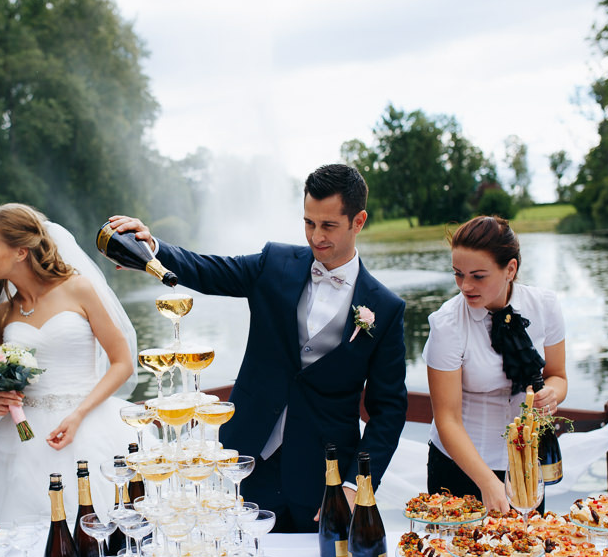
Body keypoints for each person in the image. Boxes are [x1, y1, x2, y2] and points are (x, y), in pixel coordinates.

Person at [109, 163, 408, 532]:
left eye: (328, 225)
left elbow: (389, 412)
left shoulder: (386, 308)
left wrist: (354, 486)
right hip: (245, 463)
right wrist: (153, 249)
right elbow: (208, 270)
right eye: (309, 223)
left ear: (358, 221)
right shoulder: (276, 263)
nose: (316, 237)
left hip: (323, 479)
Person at [0, 203, 138, 521]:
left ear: (20, 251)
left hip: (89, 425)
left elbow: (122, 363)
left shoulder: (78, 289)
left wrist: (79, 415)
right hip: (23, 440)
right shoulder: (3, 314)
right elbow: (6, 379)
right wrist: (0, 397)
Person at [424, 215, 567, 512]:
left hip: (527, 466)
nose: (465, 286)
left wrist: (553, 393)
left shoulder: (546, 306)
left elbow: (558, 376)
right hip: (458, 468)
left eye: (478, 276)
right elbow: (446, 419)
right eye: (458, 274)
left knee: (529, 554)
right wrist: (488, 483)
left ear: (510, 269)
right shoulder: (446, 324)